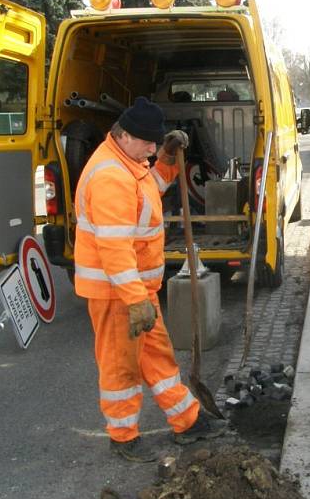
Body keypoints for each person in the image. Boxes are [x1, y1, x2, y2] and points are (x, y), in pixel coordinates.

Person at [74, 96, 226, 462]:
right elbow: (115, 249)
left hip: (136, 291)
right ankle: (123, 437)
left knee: (157, 357)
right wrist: (134, 300)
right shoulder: (110, 176)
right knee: (121, 366)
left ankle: (187, 422)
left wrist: (168, 159)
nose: (152, 148)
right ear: (124, 135)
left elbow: (150, 186)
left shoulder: (130, 163)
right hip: (116, 294)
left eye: (156, 143)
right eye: (148, 143)